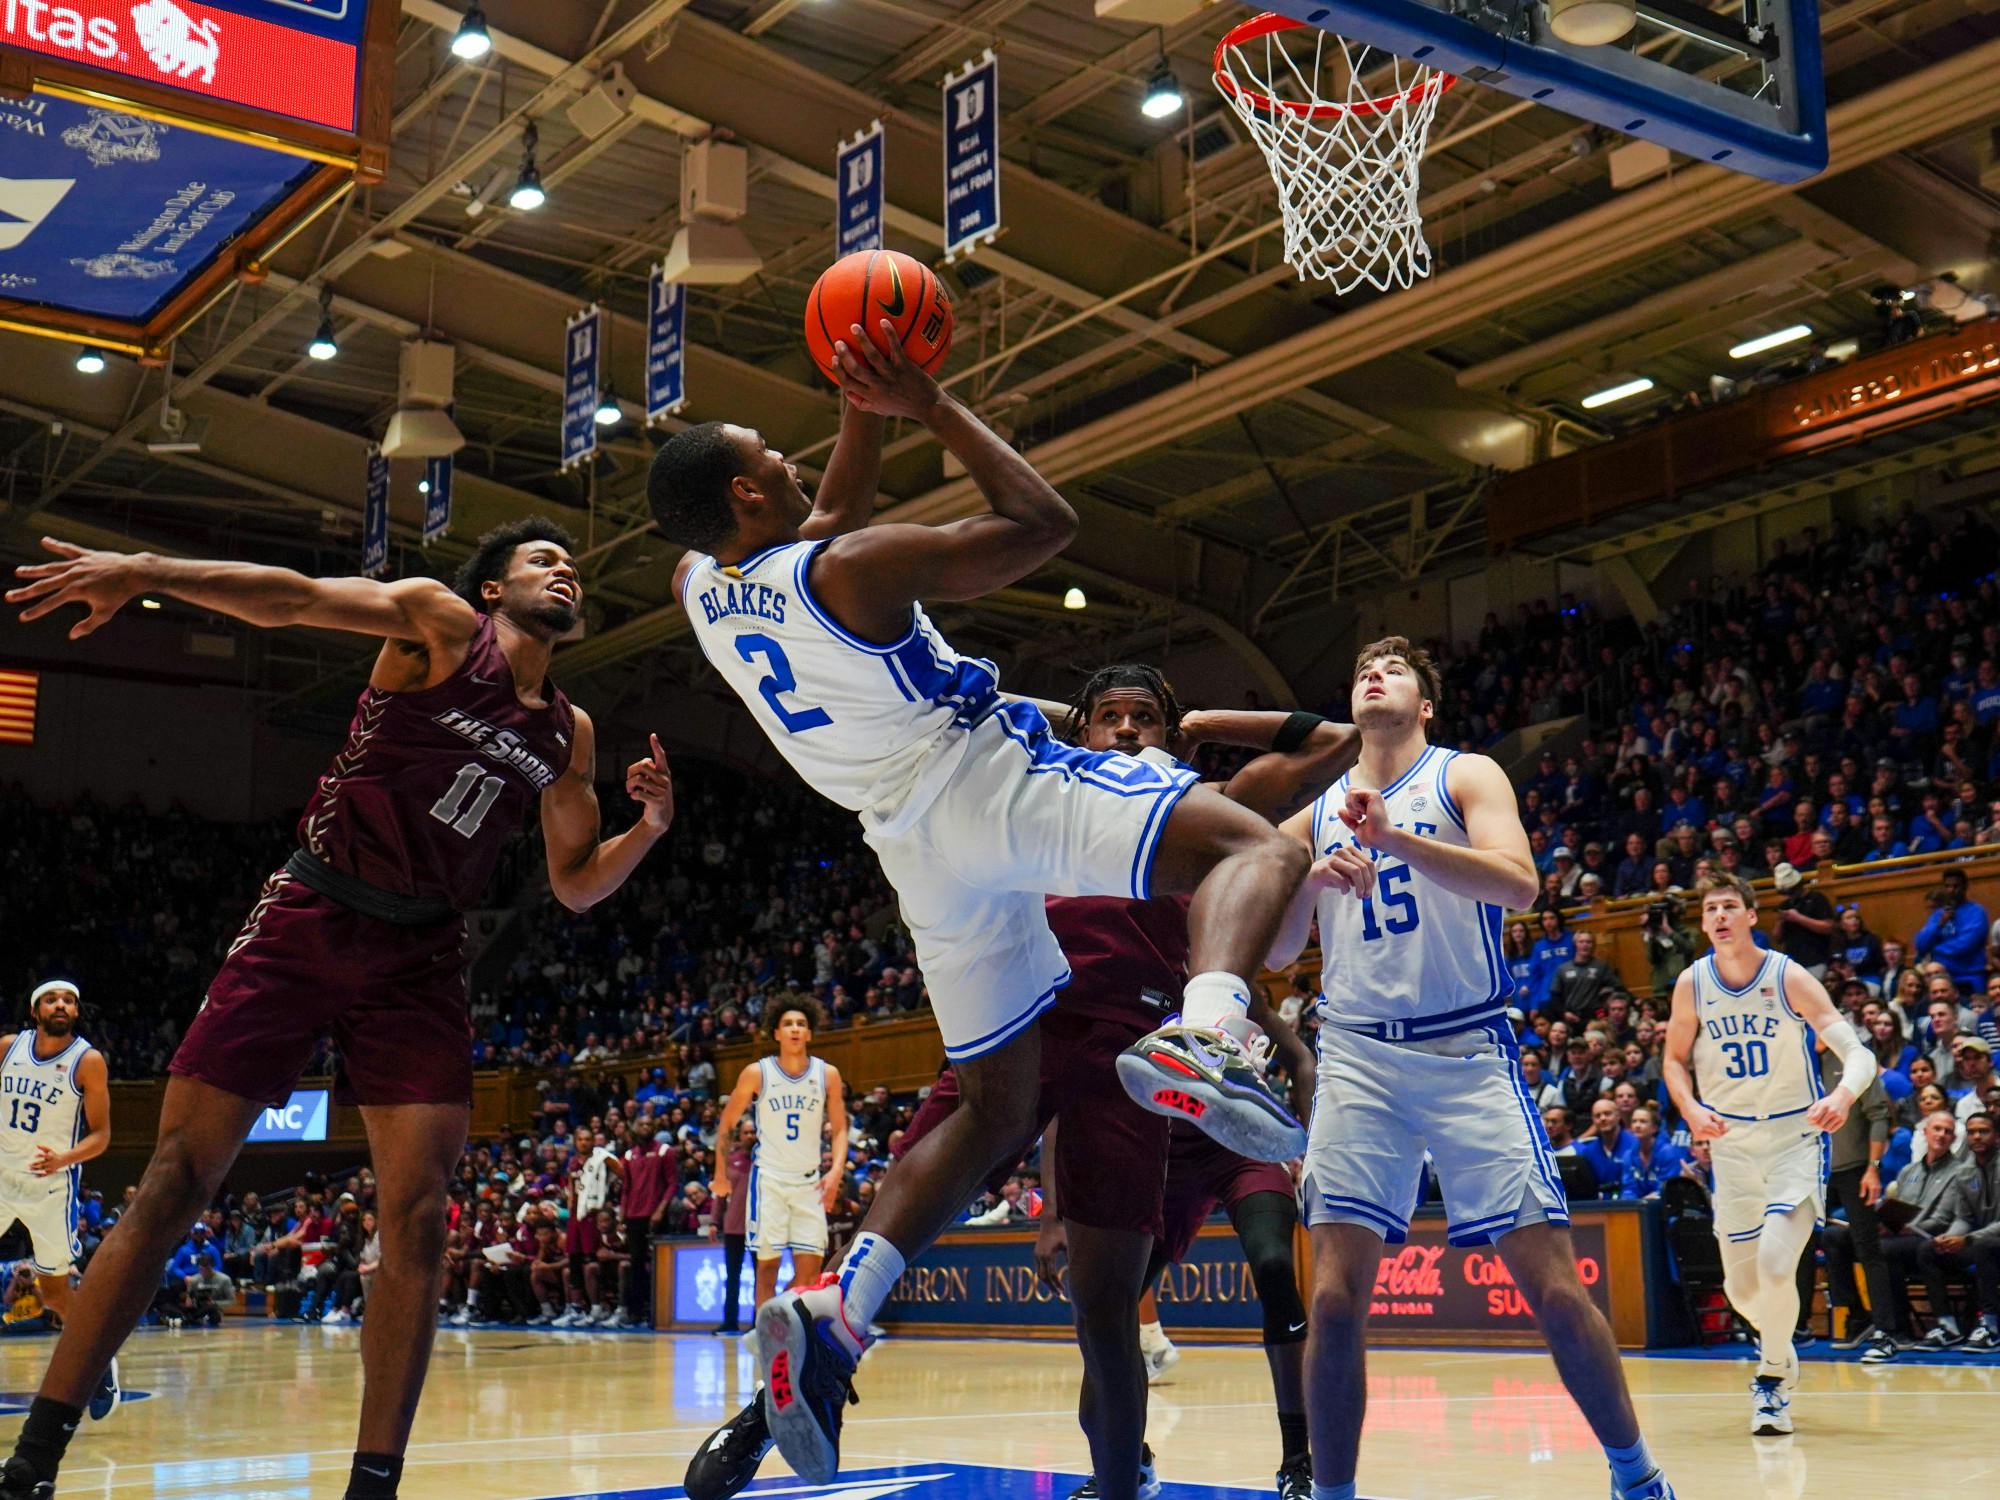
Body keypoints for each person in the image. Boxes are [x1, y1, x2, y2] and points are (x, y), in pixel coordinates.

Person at [651, 322, 1311, 1485]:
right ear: (749, 487)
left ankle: (842, 1317)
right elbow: (1042, 525)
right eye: (777, 452)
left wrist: (857, 411)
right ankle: (1208, 1031)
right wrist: (927, 403)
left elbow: (814, 515)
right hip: (988, 782)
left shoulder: (700, 583)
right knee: (1247, 844)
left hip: (910, 848)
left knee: (995, 1107)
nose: (799, 459)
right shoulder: (850, 572)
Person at [1, 519, 678, 1500]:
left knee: (419, 1218)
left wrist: (649, 828)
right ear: (491, 590)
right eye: (539, 559)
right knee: (176, 1179)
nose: (564, 568)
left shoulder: (565, 734)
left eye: (570, 562)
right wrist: (145, 569)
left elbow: (574, 882)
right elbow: (290, 597)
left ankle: (373, 1486)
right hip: (315, 910)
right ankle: (33, 1465)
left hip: (423, 951)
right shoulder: (439, 628)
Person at [683, 669, 1355, 1500]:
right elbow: (959, 698)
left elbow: (1332, 739)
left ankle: (1118, 1487)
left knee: (1107, 1312)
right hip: (1015, 1016)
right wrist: (1070, 721)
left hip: (1134, 1047)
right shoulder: (1045, 791)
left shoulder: (1199, 800)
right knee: (901, 1204)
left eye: (1144, 718)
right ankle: (779, 1398)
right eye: (1108, 717)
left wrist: (1196, 720)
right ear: (1079, 730)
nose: (1126, 730)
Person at [1267, 637, 1677, 1500]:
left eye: (1394, 670)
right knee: (1335, 1301)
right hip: (1358, 1059)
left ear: (1424, 706)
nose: (1372, 675)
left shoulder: (1465, 775)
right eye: (1360, 670)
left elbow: (1520, 884)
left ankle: (1637, 1477)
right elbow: (1270, 950)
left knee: (1555, 1291)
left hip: (1466, 1051)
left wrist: (1396, 842)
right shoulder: (1316, 809)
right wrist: (1308, 882)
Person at [1662, 874, 1877, 1437]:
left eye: (1730, 905)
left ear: (1752, 915)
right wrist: (1688, 1106)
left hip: (1793, 1140)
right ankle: (1780, 1346)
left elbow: (1858, 1052)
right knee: (1742, 1291)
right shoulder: (1692, 983)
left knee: (1778, 1266)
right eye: (1710, 908)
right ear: (1703, 922)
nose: (1720, 915)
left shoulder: (1788, 975)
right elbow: (1672, 1062)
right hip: (1730, 1147)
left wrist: (1843, 1095)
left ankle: (1773, 1377)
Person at [710, 1000, 848, 1318]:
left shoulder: (827, 1074)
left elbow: (840, 1129)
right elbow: (727, 1123)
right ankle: (767, 1346)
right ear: (776, 1033)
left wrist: (836, 1172)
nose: (795, 1028)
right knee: (767, 1270)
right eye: (788, 1024)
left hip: (809, 1182)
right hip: (769, 1180)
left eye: (801, 1023)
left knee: (810, 1277)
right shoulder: (757, 1073)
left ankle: (781, 1325)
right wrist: (720, 1173)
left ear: (809, 1033)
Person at [0, 983, 110, 1359]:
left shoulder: (88, 1060)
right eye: (52, 1000)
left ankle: (96, 1363)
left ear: (76, 1013)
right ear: (36, 1011)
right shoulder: (7, 1048)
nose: (61, 1005)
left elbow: (101, 1136)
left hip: (49, 1187)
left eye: (69, 1001)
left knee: (56, 1294)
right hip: (2, 1177)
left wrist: (64, 1158)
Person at [1794, 1038, 1895, 1360]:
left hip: (1854, 1169)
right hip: (1813, 1169)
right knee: (1801, 1245)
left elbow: (1879, 1116)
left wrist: (1873, 1168)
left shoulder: (1854, 1058)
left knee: (1868, 1248)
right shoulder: (1797, 1060)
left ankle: (1886, 1331)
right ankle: (1801, 1326)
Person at [1915, 867, 1990, 993]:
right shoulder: (1939, 914)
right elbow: (1921, 945)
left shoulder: (1977, 912)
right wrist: (1939, 925)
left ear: (1965, 887)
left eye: (1956, 886)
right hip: (1942, 977)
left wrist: (1935, 949)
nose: (1951, 890)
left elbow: (1966, 945)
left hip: (1969, 975)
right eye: (1947, 886)